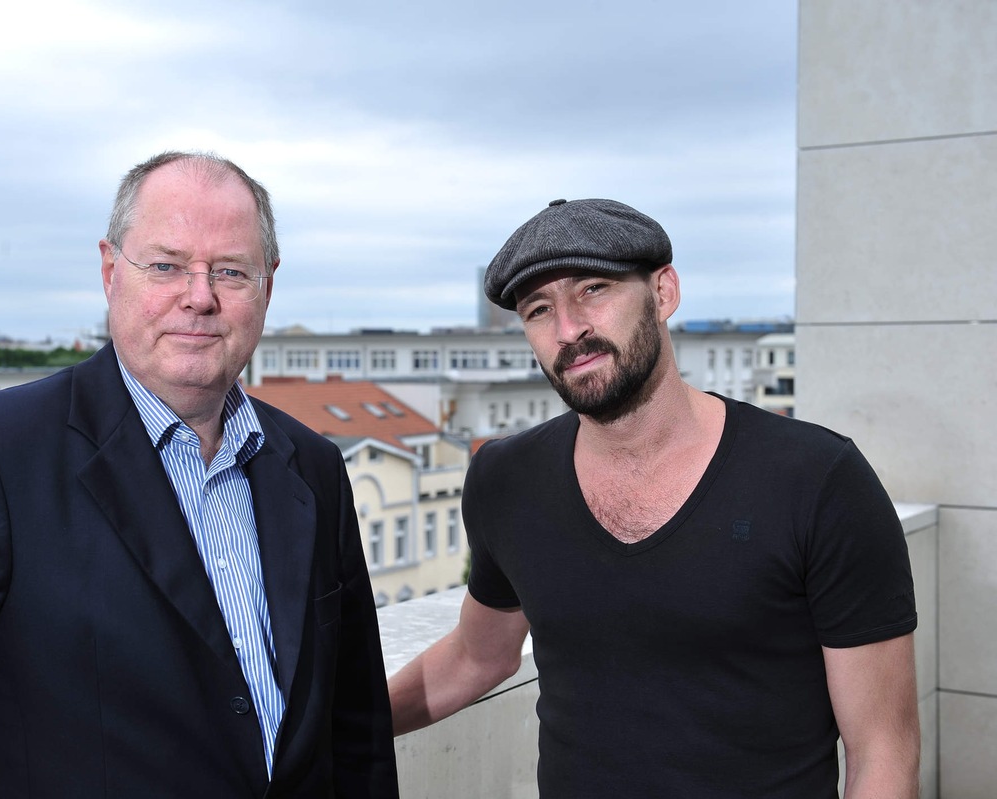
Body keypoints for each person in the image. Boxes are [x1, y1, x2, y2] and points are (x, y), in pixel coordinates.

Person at [0, 151, 399, 798]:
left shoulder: (312, 465)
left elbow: (355, 726)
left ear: (267, 287)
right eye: (166, 265)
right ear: (112, 272)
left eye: (230, 270)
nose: (199, 297)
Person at [388, 198, 920, 798]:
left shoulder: (818, 479)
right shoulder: (505, 478)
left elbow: (882, 751)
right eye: (540, 309)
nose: (569, 329)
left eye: (594, 289)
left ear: (664, 293)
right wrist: (328, 729)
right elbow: (476, 658)